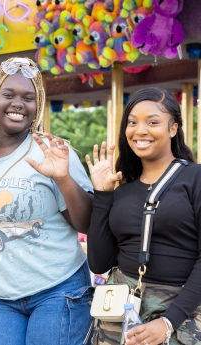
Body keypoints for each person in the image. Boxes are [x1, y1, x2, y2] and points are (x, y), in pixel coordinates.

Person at [0, 57, 94, 345]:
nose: (18, 103)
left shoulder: (52, 151)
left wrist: (62, 178)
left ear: (37, 107)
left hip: (57, 291)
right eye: (8, 95)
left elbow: (87, 222)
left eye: (28, 98)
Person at [86, 86, 201, 345]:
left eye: (153, 122)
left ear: (173, 129)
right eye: (132, 122)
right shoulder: (122, 191)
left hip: (183, 309)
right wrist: (103, 194)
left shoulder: (195, 178)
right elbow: (99, 263)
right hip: (122, 310)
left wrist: (169, 321)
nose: (140, 131)